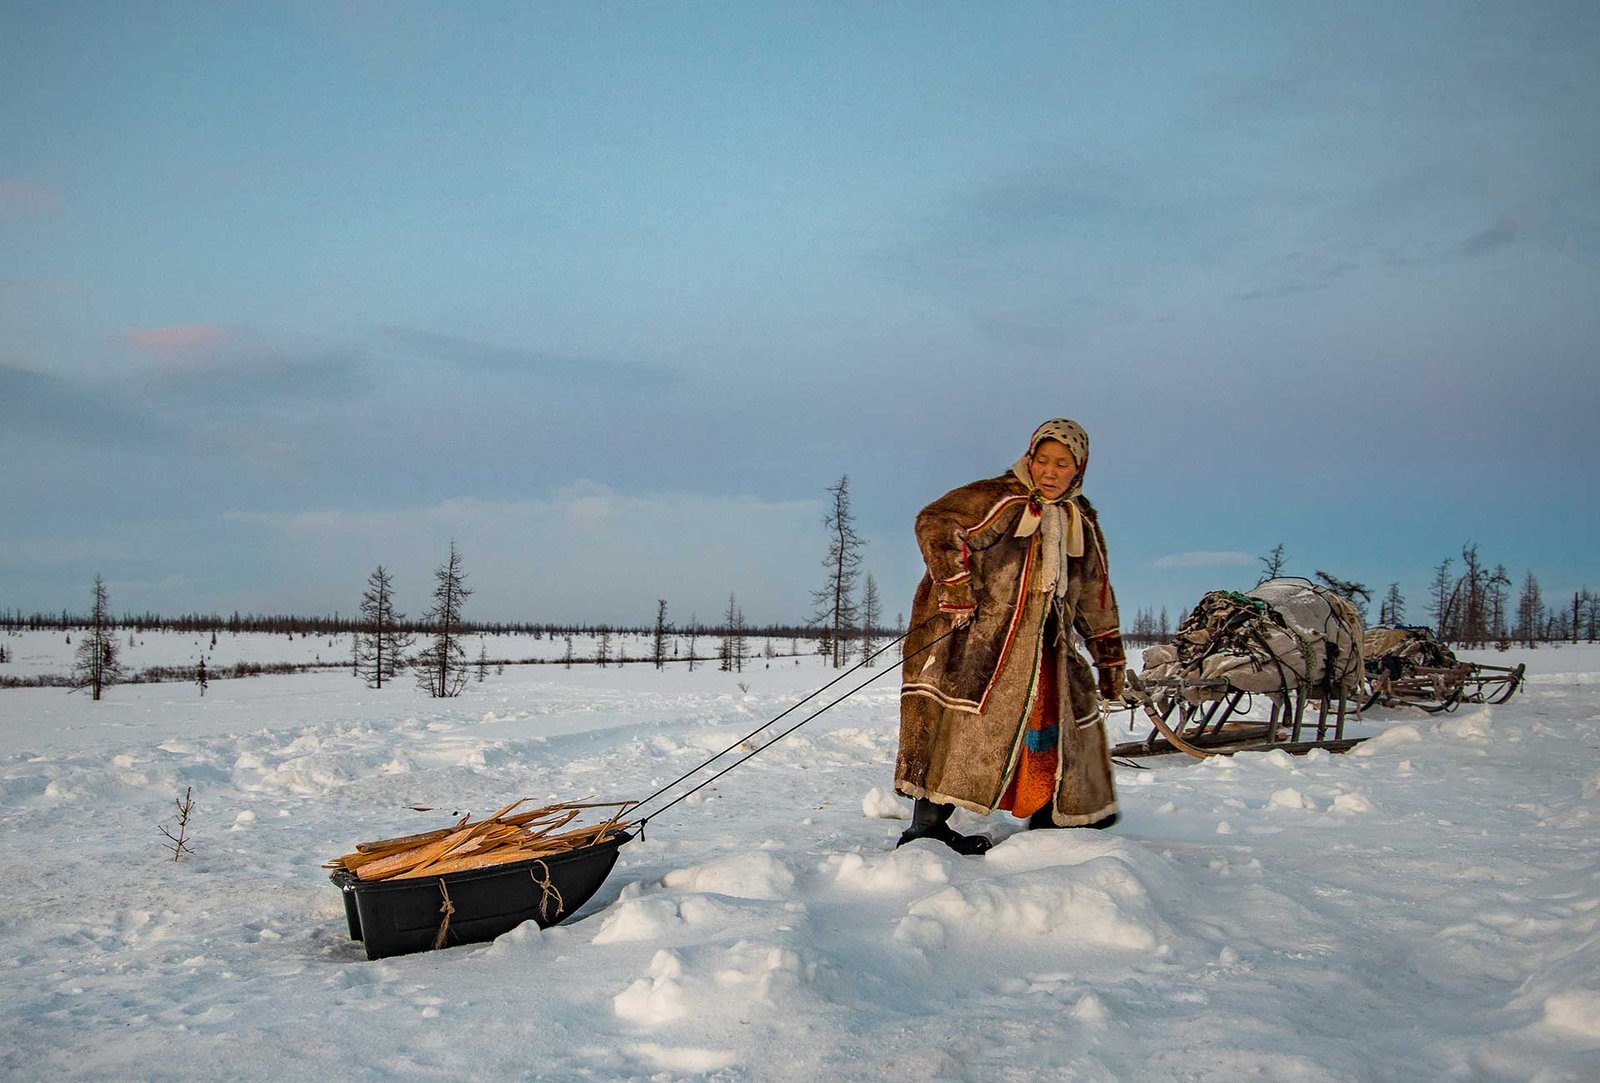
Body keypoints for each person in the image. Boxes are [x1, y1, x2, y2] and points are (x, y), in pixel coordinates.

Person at [894, 418, 1125, 855]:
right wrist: (956, 588)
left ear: (1079, 468)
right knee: (961, 727)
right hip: (976, 643)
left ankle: (1053, 814)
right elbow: (935, 523)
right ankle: (927, 827)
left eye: (1062, 464)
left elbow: (1094, 592)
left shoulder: (1079, 519)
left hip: (1044, 649)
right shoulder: (998, 498)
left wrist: (1109, 657)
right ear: (1030, 457)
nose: (1050, 472)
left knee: (1052, 726)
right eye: (1042, 460)